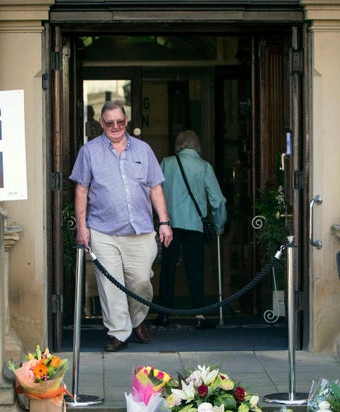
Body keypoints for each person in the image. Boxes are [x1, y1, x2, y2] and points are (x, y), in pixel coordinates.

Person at [69, 101, 173, 352]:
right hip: (103, 231)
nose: (115, 126)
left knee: (141, 282)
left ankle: (137, 320)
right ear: (101, 124)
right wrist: (82, 228)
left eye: (120, 121)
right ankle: (119, 332)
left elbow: (155, 187)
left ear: (126, 121)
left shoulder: (143, 150)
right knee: (110, 284)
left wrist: (164, 222)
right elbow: (81, 190)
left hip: (140, 231)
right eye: (109, 122)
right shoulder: (90, 151)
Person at [153, 130, 227, 329]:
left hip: (169, 225)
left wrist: (159, 219)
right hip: (195, 226)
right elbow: (218, 201)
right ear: (197, 146)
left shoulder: (167, 163)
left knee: (167, 269)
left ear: (179, 145)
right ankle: (199, 315)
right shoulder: (204, 167)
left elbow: (154, 191)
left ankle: (164, 314)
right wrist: (219, 226)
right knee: (195, 270)